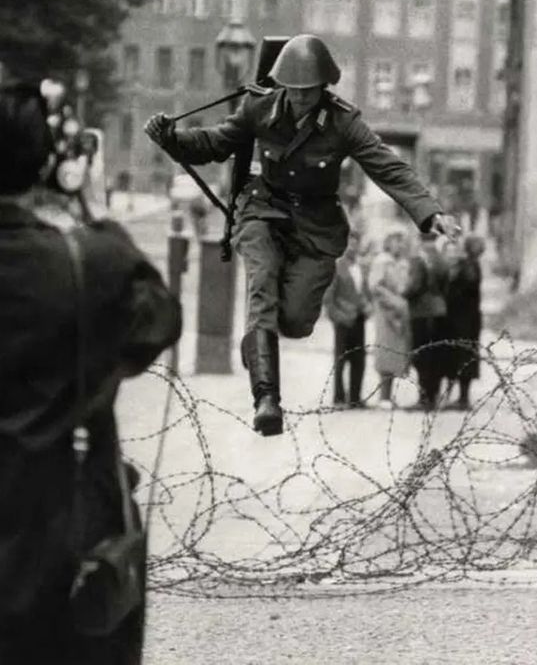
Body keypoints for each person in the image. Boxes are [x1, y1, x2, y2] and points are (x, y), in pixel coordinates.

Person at [144, 34, 458, 436]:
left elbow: (387, 167)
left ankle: (257, 342)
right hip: (264, 211)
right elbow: (216, 143)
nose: (299, 97)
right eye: (292, 89)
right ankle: (266, 399)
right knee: (261, 285)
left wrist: (431, 213)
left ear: (324, 86)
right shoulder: (259, 107)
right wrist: (172, 138)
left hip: (316, 226)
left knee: (294, 321)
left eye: (308, 91)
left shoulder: (343, 122)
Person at [0, 82, 182, 664]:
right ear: (51, 166)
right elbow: (157, 323)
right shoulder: (88, 263)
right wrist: (97, 215)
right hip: (63, 538)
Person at [323, 230, 371, 408]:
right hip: (343, 320)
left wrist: (367, 306)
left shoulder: (361, 266)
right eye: (350, 242)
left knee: (359, 359)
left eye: (356, 242)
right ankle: (339, 397)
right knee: (341, 360)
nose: (353, 246)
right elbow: (328, 298)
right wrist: (338, 317)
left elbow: (364, 291)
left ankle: (355, 397)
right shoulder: (336, 266)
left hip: (359, 318)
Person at [404, 233, 449, 410]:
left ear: (420, 240)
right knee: (436, 355)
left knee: (421, 356)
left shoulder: (418, 260)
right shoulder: (441, 259)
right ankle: (434, 395)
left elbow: (414, 286)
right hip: (440, 310)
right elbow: (446, 285)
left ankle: (423, 397)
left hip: (421, 312)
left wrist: (403, 295)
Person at [369, 230, 411, 409]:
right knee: (385, 350)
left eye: (402, 241)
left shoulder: (401, 262)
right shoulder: (382, 261)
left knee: (396, 352)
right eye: (396, 241)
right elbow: (375, 286)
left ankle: (389, 395)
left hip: (400, 310)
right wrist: (393, 301)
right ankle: (383, 396)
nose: (399, 245)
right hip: (386, 311)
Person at [443, 235, 485, 410]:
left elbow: (457, 291)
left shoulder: (466, 266)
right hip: (469, 318)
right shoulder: (473, 265)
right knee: (465, 356)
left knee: (459, 356)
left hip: (460, 318)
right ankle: (461, 396)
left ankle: (461, 397)